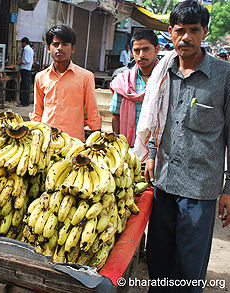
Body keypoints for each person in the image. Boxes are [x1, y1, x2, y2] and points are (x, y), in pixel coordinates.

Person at [134, 1, 230, 292]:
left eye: (193, 30)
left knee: (189, 273)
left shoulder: (224, 76)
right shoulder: (164, 71)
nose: (185, 37)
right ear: (170, 33)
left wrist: (229, 187)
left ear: (205, 32)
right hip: (163, 185)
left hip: (199, 191)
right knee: (160, 266)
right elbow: (157, 118)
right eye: (179, 31)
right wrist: (150, 152)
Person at [30, 24, 102, 141]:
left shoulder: (86, 77)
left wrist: (97, 137)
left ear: (72, 48)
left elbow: (92, 111)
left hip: (74, 141)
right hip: (47, 139)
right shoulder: (40, 77)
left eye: (65, 44)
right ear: (49, 48)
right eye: (55, 44)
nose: (60, 48)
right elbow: (38, 111)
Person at [110, 29, 160, 147]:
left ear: (157, 49)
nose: (141, 55)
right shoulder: (123, 82)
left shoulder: (166, 79)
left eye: (146, 49)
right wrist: (118, 146)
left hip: (157, 148)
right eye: (137, 50)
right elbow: (116, 116)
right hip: (129, 147)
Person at [17, 37, 34, 107]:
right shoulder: (30, 49)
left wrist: (19, 62)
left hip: (25, 69)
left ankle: (24, 102)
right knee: (25, 85)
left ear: (24, 43)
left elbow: (27, 60)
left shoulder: (26, 49)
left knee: (24, 86)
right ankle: (24, 102)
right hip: (27, 69)